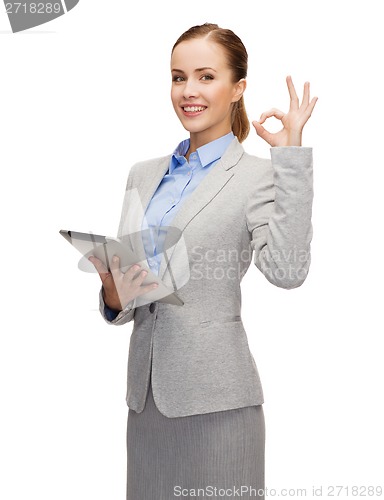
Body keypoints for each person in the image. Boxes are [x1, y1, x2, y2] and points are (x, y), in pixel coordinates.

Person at [89, 22, 317, 500]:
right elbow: (131, 297)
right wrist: (114, 292)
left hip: (218, 404)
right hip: (147, 402)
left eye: (205, 76)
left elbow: (288, 270)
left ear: (238, 88)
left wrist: (290, 158)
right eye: (178, 77)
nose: (188, 91)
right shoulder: (143, 174)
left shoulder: (256, 177)